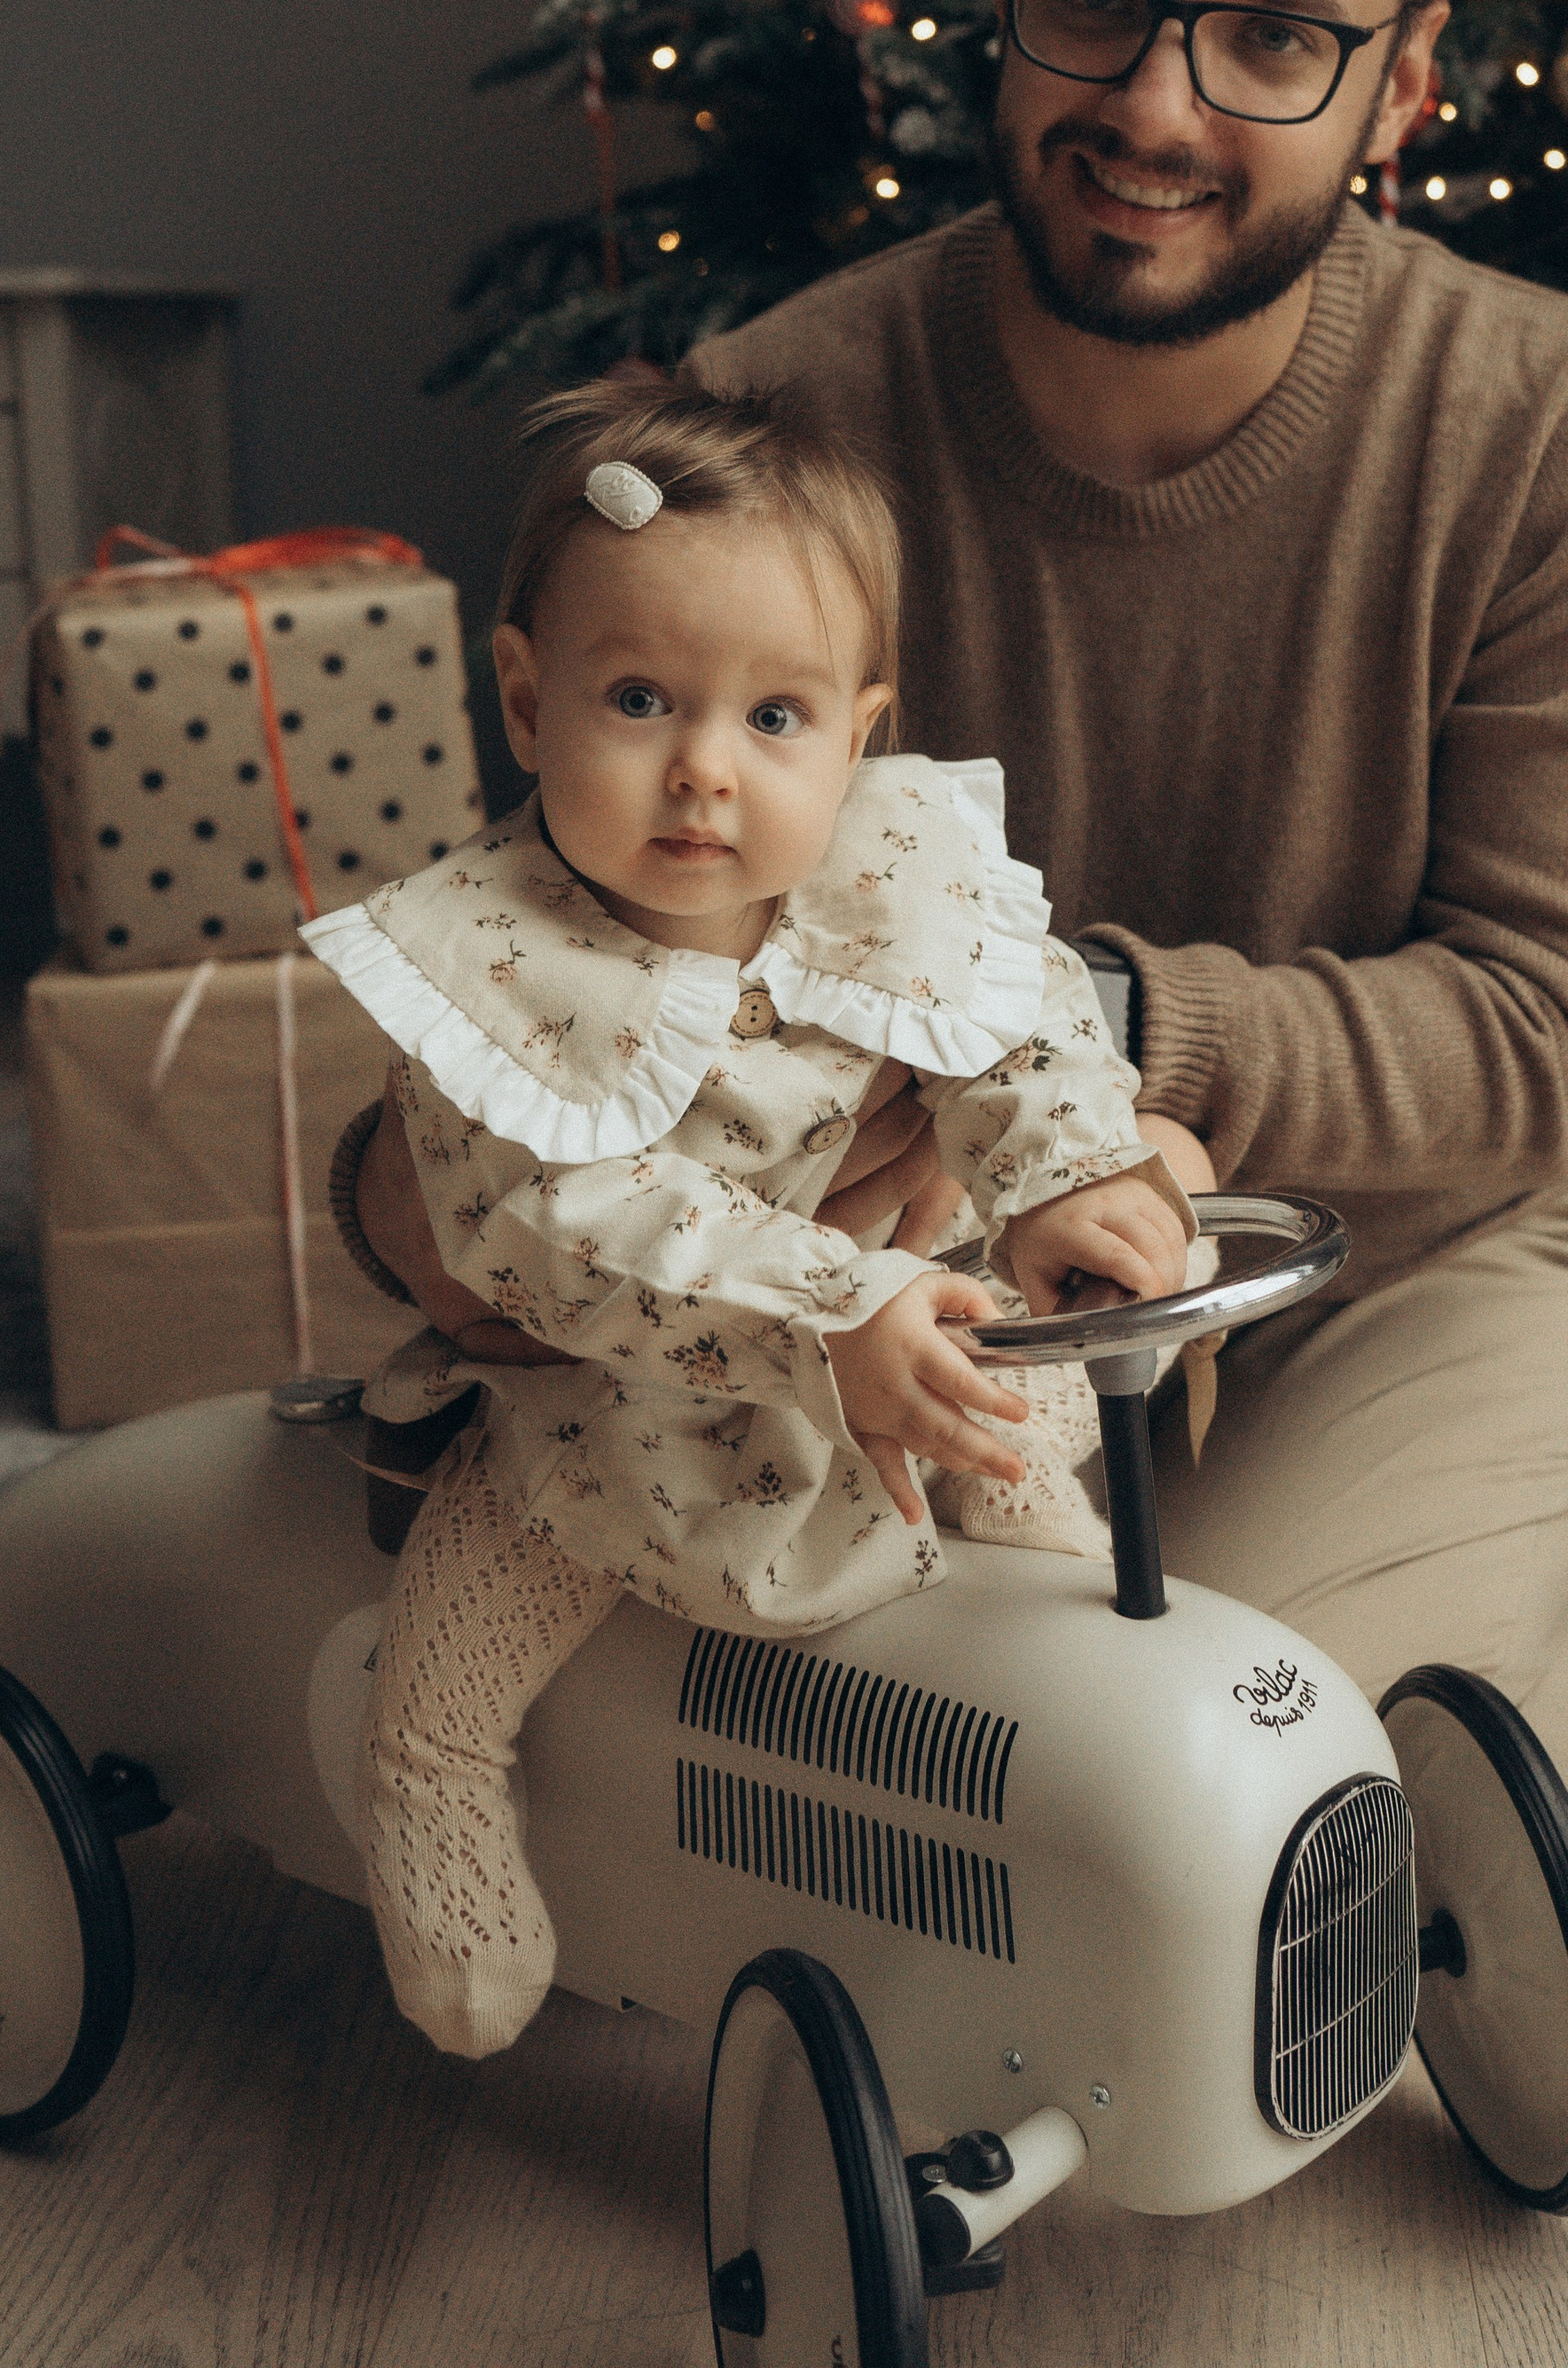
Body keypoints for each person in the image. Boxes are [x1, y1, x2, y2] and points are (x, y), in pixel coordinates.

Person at [352, 0, 1568, 1805]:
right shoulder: (771, 425)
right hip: (927, 1245)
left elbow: (1557, 1039)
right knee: (843, 1751)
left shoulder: (1555, 433)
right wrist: (418, 1205)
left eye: (1271, 36)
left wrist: (1090, 1028)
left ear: (1405, 84)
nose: (1158, 107)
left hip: (1419, 1226)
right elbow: (573, 926)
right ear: (1003, 1)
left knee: (1220, 1785)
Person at [308, 375, 1195, 2057]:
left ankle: (1098, 1773)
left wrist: (1071, 1176)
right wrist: (819, 1309)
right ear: (524, 697)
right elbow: (568, 1228)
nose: (707, 773)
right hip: (628, 1390)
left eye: (774, 720)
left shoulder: (893, 869)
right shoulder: (493, 965)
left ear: (859, 730)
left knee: (1042, 1502)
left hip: (920, 1345)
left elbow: (1016, 1034)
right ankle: (428, 1779)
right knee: (482, 1587)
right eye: (640, 699)